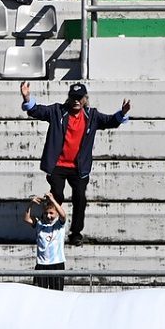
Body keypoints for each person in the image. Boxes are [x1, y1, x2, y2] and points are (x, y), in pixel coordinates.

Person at [21, 81, 131, 246]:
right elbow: (37, 111)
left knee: (80, 197)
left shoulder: (92, 115)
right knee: (56, 195)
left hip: (79, 167)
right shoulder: (57, 111)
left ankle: (76, 233)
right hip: (57, 165)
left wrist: (122, 113)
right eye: (73, 97)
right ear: (69, 97)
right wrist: (27, 97)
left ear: (85, 98)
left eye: (80, 98)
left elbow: (109, 121)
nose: (76, 101)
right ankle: (50, 226)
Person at [24, 192, 67, 290]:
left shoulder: (59, 225)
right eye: (46, 213)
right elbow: (27, 219)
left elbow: (63, 215)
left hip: (57, 263)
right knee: (40, 292)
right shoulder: (39, 224)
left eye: (51, 213)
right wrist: (30, 204)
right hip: (42, 264)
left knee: (57, 292)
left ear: (56, 213)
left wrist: (52, 199)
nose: (48, 216)